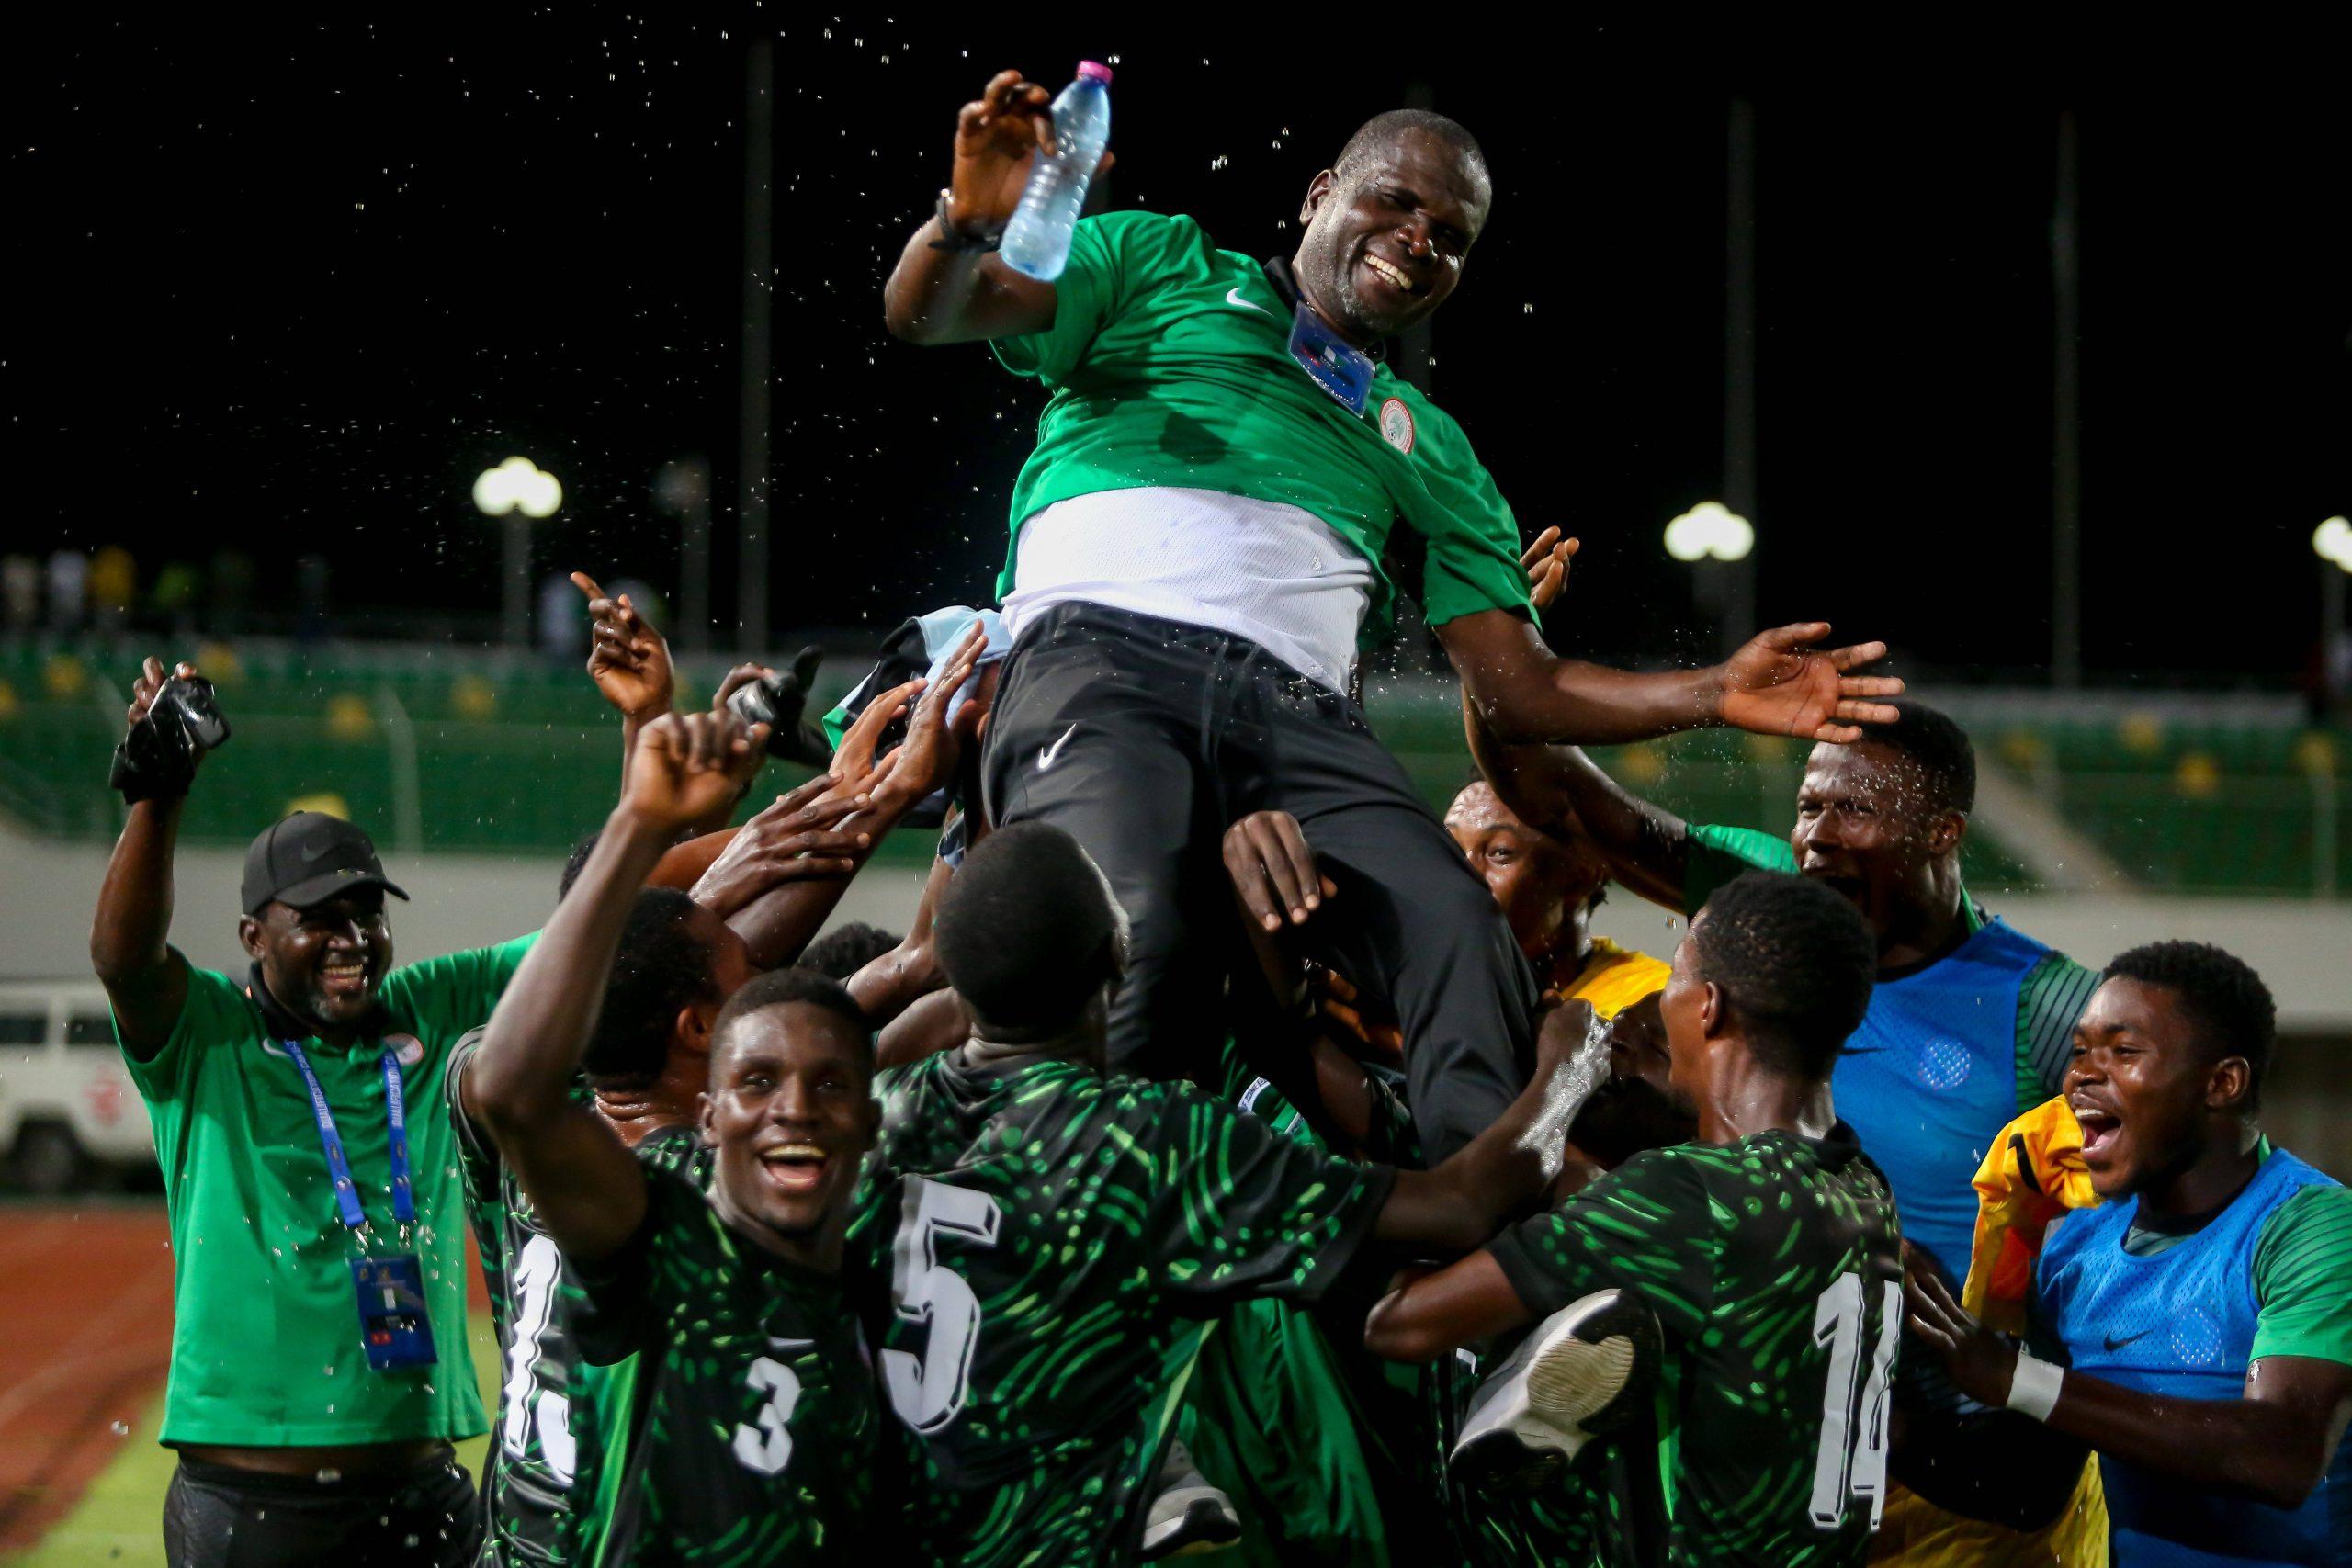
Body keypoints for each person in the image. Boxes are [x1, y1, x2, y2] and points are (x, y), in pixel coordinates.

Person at [883, 73, 1902, 1158]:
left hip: (1297, 717)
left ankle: (1479, 1267)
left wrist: (1710, 690)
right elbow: (936, 311)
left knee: (1459, 934)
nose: (1421, 239)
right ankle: (1077, 1249)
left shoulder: (1431, 443)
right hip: (1102, 660)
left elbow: (1519, 688)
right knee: (1133, 931)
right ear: (1322, 194)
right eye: (1396, 203)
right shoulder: (1162, 262)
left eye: (1452, 236)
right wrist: (968, 222)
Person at [1472, 694, 2110, 1560]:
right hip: (1778, 1441)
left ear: (1944, 833)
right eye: (1810, 805)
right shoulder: (1767, 900)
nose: (1818, 836)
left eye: (1855, 808)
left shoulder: (2048, 1004)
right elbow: (1556, 795)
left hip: (1962, 1479)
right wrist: (1500, 656)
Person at [855, 818, 1593, 1564]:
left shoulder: (868, 1117)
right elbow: (1459, 1208)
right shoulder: (1150, 1138)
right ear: (1117, 956)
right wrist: (1568, 1069)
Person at [90, 658, 533, 1567]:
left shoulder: (433, 1008)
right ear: (255, 936)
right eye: (320, 918)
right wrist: (158, 796)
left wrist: (671, 799)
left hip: (420, 1495)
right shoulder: (208, 1037)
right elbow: (125, 957)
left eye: (368, 913)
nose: (353, 940)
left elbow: (597, 936)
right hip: (251, 1511)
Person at [1362, 871, 1902, 1566]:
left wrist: (1559, 1073)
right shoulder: (1865, 1188)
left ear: (1706, 1007)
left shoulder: (1692, 1196)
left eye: (1676, 974)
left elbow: (1401, 1324)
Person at [465, 709, 892, 1564]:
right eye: (747, 974)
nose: (761, 977)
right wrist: (885, 800)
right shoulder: (703, 1190)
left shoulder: (518, 1146)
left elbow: (623, 975)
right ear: (701, 1030)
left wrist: (662, 839)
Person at [1907, 942, 2352, 1567]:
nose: (2082, 1076)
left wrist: (2017, 1377)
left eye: (2123, 1051)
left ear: (2222, 1082)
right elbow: (2030, 1489)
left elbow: (2280, 1454)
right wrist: (1876, 1397)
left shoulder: (2313, 1225)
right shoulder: (2071, 1249)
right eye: (2081, 1050)